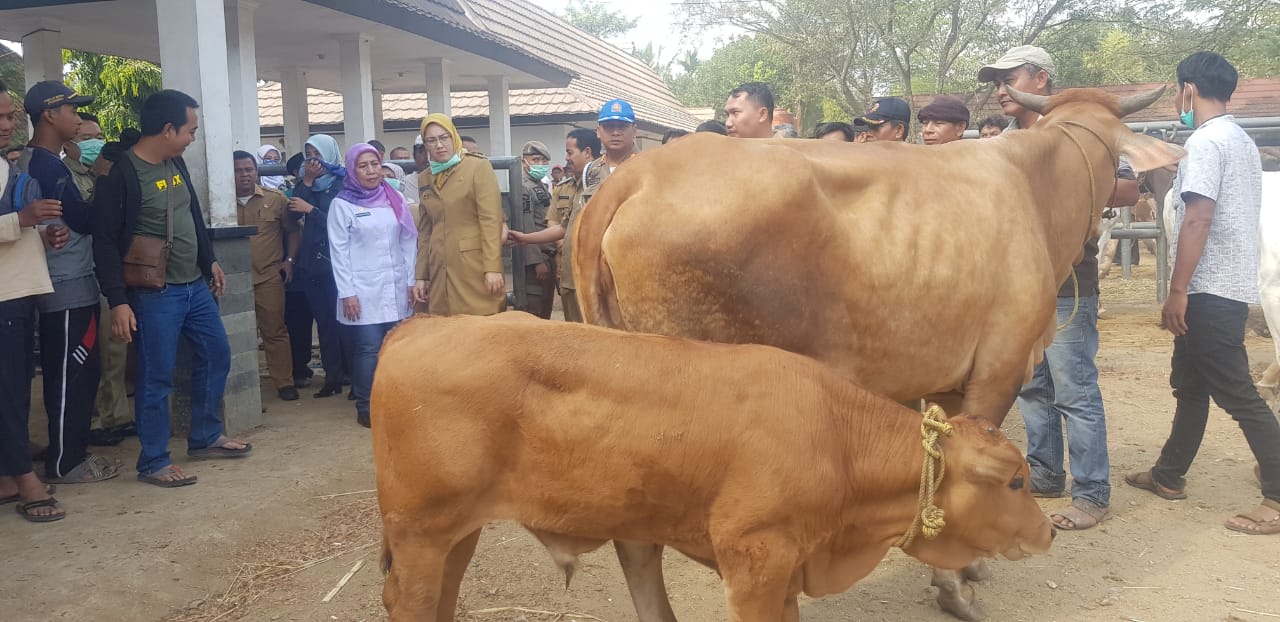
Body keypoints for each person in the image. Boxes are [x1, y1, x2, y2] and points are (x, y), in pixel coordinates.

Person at [980, 45, 1137, 530]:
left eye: (1010, 77)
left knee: (1074, 388)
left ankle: (1092, 492)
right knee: (1030, 384)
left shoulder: (1085, 127)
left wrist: (1074, 178)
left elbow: (1130, 189)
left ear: (1041, 77)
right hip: (1012, 282)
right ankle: (1046, 472)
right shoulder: (1000, 140)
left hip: (1069, 280)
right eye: (996, 80)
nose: (1000, 89)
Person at [1126, 52, 1280, 536]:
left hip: (1206, 291)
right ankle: (1168, 475)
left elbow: (1198, 218)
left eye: (1177, 92)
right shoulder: (1240, 140)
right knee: (1190, 387)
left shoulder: (1207, 143)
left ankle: (1277, 495)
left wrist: (1177, 290)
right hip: (1223, 288)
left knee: (1239, 395)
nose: (1176, 100)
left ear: (1189, 89)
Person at [92, 89, 252, 488]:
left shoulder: (174, 161)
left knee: (217, 353)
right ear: (167, 129)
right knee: (156, 377)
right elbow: (105, 241)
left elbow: (192, 215)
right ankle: (154, 461)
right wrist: (118, 301)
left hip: (194, 287)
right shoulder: (123, 173)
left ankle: (204, 436)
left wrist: (209, 260)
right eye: (190, 130)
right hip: (153, 294)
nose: (193, 137)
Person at [23, 80, 118, 485]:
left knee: (79, 373)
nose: (77, 118)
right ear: (50, 114)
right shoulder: (43, 165)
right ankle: (65, 462)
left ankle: (70, 453)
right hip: (63, 284)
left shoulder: (49, 161)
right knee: (70, 376)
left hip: (72, 281)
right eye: (71, 111)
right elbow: (81, 220)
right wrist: (106, 181)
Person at [1, 77, 72, 521]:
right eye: (0, 117)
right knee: (9, 391)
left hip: (20, 289)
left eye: (9, 115)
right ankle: (26, 478)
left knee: (15, 386)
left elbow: (17, 228)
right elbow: (12, 222)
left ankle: (9, 475)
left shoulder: (7, 168)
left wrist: (45, 237)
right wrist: (21, 220)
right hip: (5, 294)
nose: (8, 124)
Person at [328, 143, 417, 428]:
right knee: (368, 347)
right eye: (362, 166)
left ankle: (395, 402)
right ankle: (366, 405)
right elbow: (338, 252)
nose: (370, 171)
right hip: (362, 289)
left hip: (396, 283)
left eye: (375, 164)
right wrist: (347, 292)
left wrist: (410, 281)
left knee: (397, 347)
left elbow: (408, 241)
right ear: (352, 170)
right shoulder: (342, 204)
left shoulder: (395, 197)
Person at [414, 114, 505, 316]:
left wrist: (493, 268)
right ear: (425, 146)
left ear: (454, 137)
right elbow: (425, 232)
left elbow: (490, 221)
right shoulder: (425, 178)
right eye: (431, 140)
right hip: (439, 271)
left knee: (481, 330)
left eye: (444, 138)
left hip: (474, 267)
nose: (439, 145)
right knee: (445, 333)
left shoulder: (477, 167)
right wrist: (421, 275)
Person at [509, 128, 599, 323]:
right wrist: (535, 257)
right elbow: (541, 224)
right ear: (524, 160)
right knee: (540, 315)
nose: (566, 158)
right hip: (549, 260)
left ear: (587, 152)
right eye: (535, 160)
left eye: (569, 152)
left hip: (584, 267)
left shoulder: (598, 183)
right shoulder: (528, 187)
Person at [233, 150, 301, 401]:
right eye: (238, 171)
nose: (244, 175)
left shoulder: (275, 200)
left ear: (256, 170)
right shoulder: (219, 201)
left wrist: (289, 261)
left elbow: (293, 231)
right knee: (236, 335)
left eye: (248, 169)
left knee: (275, 332)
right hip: (231, 281)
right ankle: (240, 387)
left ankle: (284, 383)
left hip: (268, 277)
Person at [288, 134, 351, 399]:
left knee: (345, 323)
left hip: (336, 263)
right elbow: (293, 211)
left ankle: (353, 376)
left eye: (317, 153)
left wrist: (311, 210)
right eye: (308, 153)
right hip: (311, 263)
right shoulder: (307, 184)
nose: (312, 159)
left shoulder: (343, 183)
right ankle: (332, 377)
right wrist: (308, 182)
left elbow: (341, 224)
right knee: (324, 322)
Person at [90, 137, 137, 447]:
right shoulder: (87, 183)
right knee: (103, 353)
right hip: (91, 278)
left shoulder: (109, 185)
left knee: (116, 351)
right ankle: (101, 419)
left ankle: (116, 415)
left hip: (108, 277)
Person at [515, 141, 555, 319]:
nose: (540, 164)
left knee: (546, 307)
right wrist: (536, 261)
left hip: (548, 254)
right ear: (525, 162)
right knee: (535, 309)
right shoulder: (524, 187)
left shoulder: (540, 185)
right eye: (535, 159)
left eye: (544, 161)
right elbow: (526, 224)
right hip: (536, 259)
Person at [583, 99, 639, 204]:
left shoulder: (648, 165)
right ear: (598, 131)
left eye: (622, 126)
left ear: (634, 130)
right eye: (608, 126)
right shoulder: (590, 170)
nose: (615, 132)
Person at [63, 112, 104, 199]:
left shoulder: (110, 170)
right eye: (86, 139)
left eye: (99, 138)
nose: (95, 143)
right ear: (67, 144)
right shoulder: (65, 175)